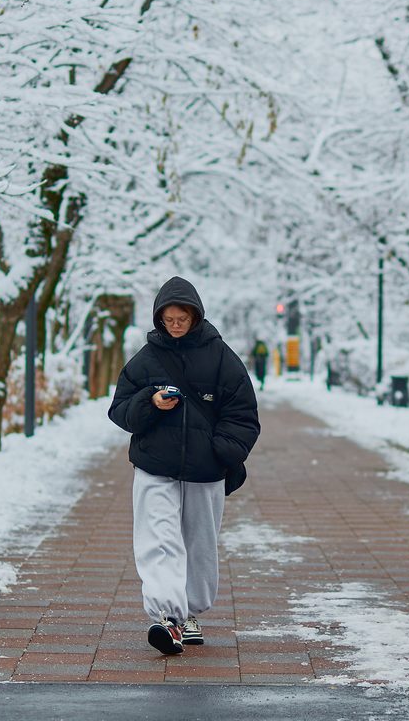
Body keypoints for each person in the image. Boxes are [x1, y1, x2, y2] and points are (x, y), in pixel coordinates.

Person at [107, 276, 260, 655]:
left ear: (195, 316)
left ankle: (191, 612)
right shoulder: (145, 360)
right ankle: (167, 617)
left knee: (199, 543)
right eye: (169, 320)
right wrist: (151, 402)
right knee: (158, 540)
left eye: (182, 319)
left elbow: (243, 413)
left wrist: (220, 451)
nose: (175, 326)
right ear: (160, 318)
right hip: (154, 466)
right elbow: (120, 410)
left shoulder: (222, 357)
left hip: (205, 471)